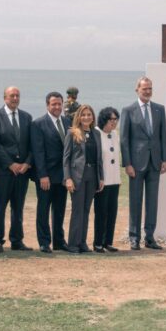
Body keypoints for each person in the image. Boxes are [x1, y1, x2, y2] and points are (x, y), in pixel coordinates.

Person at [120, 77, 166, 250]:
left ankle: (149, 237)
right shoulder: (128, 110)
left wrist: (165, 159)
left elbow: (163, 136)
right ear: (137, 90)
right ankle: (134, 237)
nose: (147, 91)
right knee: (135, 201)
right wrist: (127, 163)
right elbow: (124, 139)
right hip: (136, 164)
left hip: (155, 162)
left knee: (152, 201)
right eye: (144, 89)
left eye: (149, 88)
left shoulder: (159, 109)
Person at [0, 87, 33, 253]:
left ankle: (16, 240)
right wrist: (9, 164)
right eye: (12, 95)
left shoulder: (27, 117)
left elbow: (32, 144)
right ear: (4, 97)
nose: (15, 98)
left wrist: (27, 163)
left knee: (18, 207)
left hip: (22, 171)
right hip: (2, 171)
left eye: (17, 95)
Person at [30, 91, 71, 254]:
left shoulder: (68, 121)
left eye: (59, 104)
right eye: (53, 104)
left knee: (60, 210)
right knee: (43, 210)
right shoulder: (38, 123)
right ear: (47, 105)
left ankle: (59, 242)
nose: (57, 107)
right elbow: (38, 152)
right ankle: (44, 242)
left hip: (63, 176)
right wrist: (42, 175)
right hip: (46, 176)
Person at [63, 105, 104, 253]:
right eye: (83, 115)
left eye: (89, 114)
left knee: (86, 210)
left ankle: (82, 243)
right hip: (77, 177)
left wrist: (101, 177)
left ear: (93, 117)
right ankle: (73, 244)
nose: (86, 117)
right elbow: (66, 158)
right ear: (79, 117)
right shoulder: (72, 133)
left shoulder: (96, 134)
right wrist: (67, 178)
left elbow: (99, 158)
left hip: (92, 175)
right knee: (77, 210)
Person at [93, 107, 121, 252]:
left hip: (115, 179)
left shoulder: (115, 134)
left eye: (116, 119)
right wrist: (99, 178)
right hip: (102, 180)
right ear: (104, 119)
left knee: (112, 212)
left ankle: (108, 242)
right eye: (111, 120)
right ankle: (98, 243)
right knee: (101, 212)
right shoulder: (96, 133)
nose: (114, 123)